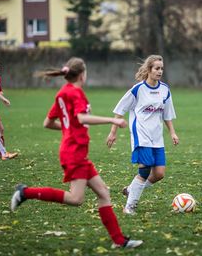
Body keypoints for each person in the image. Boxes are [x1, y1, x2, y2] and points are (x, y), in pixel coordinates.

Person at [10, 58, 143, 249]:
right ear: (82, 74)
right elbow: (81, 118)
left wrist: (68, 129)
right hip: (73, 152)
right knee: (76, 199)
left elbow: (47, 123)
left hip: (76, 151)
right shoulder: (75, 92)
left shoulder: (63, 92)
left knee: (104, 193)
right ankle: (25, 193)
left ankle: (119, 240)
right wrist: (112, 121)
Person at [106, 55, 179, 215]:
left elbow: (167, 114)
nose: (160, 71)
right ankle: (129, 206)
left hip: (157, 138)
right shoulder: (138, 89)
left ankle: (131, 189)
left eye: (161, 68)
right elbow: (120, 111)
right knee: (144, 171)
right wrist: (113, 132)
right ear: (149, 70)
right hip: (141, 136)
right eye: (156, 68)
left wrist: (172, 133)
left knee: (159, 174)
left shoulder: (165, 90)